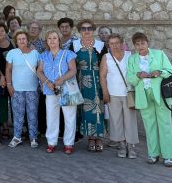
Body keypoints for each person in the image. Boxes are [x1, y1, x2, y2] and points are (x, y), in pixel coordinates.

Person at [126, 32, 172, 167]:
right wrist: (138, 75)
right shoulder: (132, 59)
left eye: (143, 43)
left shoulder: (159, 54)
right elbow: (129, 78)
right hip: (143, 96)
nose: (140, 46)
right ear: (134, 46)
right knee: (149, 126)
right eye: (137, 44)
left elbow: (171, 71)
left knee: (165, 125)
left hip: (161, 94)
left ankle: (167, 156)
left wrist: (160, 72)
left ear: (147, 43)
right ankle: (153, 154)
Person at [37, 30, 78, 154]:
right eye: (49, 38)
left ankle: (69, 143)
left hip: (67, 89)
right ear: (46, 41)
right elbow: (39, 71)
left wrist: (62, 79)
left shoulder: (68, 53)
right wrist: (47, 82)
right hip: (50, 89)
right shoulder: (44, 55)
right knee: (51, 116)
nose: (52, 40)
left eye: (54, 38)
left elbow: (73, 70)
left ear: (59, 40)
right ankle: (51, 142)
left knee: (69, 117)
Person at [100, 34, 139, 159]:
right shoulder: (106, 57)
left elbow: (136, 73)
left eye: (117, 43)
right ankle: (121, 145)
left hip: (128, 93)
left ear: (122, 43)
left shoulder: (130, 55)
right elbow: (102, 76)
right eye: (111, 43)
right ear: (108, 45)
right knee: (116, 120)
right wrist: (105, 92)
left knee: (130, 120)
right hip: (113, 94)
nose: (114, 46)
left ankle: (131, 146)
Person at [73, 19, 105, 152]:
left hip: (99, 80)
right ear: (79, 31)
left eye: (89, 28)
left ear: (93, 30)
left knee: (99, 108)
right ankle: (91, 138)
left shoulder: (101, 45)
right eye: (83, 29)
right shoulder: (74, 45)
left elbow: (106, 64)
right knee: (86, 110)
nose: (86, 31)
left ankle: (99, 137)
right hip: (82, 82)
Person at [6, 30, 40, 149]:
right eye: (19, 39)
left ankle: (33, 137)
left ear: (27, 40)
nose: (22, 41)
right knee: (18, 114)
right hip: (17, 89)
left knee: (32, 114)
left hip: (32, 88)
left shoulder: (35, 53)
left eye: (24, 38)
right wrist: (9, 85)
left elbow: (40, 69)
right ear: (16, 41)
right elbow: (8, 70)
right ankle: (17, 137)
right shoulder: (12, 53)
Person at [0, 21, 14, 140]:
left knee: (15, 102)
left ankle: (18, 127)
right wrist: (2, 76)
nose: (0, 33)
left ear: (6, 32)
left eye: (2, 31)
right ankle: (5, 126)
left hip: (14, 76)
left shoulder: (12, 43)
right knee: (2, 102)